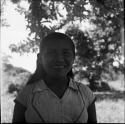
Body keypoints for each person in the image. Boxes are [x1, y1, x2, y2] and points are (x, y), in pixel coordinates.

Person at [12, 32, 97, 123]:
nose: (59, 59)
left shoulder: (85, 93)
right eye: (51, 53)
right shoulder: (26, 94)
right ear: (40, 58)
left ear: (74, 57)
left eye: (66, 53)